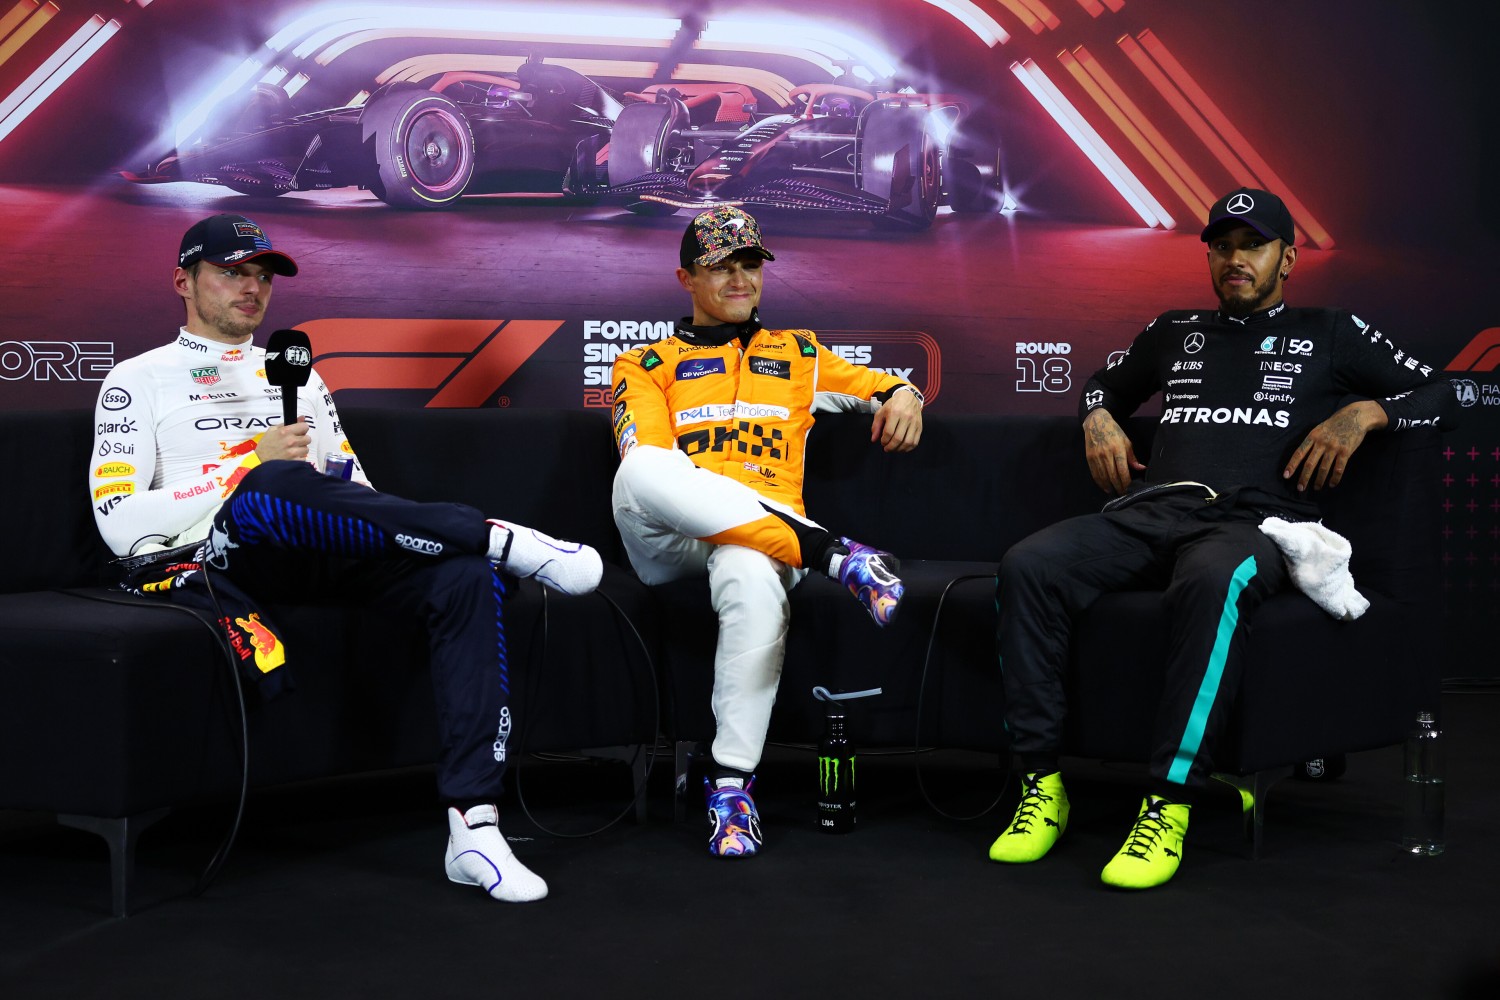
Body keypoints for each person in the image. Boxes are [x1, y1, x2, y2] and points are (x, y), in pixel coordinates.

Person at [88, 213, 604, 903]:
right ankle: (495, 535)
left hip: (321, 547)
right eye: (232, 272)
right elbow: (120, 526)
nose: (253, 288)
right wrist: (246, 467)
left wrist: (309, 483)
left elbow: (356, 495)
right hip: (224, 558)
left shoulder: (299, 374)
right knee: (271, 482)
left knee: (461, 577)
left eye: (263, 276)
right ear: (184, 280)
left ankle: (474, 825)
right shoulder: (136, 380)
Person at [988, 188, 1458, 889]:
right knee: (1028, 565)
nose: (1235, 259)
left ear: (1287, 258)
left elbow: (1445, 393)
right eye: (1223, 245)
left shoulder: (1329, 330)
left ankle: (1168, 803)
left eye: (1254, 246)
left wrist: (1363, 414)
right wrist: (1098, 418)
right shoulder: (1174, 329)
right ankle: (1040, 789)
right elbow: (1100, 386)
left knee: (1214, 581)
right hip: (1151, 513)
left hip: (1254, 524)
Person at [609, 206, 924, 858]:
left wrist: (905, 394)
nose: (739, 279)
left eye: (749, 264)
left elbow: (883, 384)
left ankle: (730, 788)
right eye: (720, 266)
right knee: (641, 466)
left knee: (749, 568)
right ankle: (840, 557)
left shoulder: (800, 354)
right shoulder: (644, 363)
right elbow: (653, 471)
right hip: (673, 543)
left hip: (760, 549)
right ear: (685, 278)